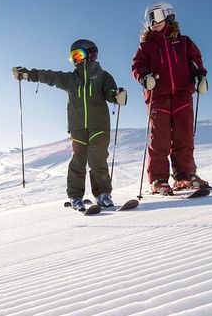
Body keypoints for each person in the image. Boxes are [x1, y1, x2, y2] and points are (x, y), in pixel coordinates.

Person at [12, 39, 127, 210]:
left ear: (91, 54)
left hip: (99, 126)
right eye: (73, 56)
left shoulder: (103, 76)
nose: (75, 59)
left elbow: (110, 92)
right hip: (77, 126)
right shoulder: (71, 79)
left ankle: (103, 194)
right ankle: (75, 197)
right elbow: (50, 76)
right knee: (78, 161)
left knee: (98, 160)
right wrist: (29, 74)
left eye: (79, 54)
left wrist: (117, 96)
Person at [132, 1, 210, 195]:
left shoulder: (184, 42)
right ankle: (158, 179)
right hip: (158, 96)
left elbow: (195, 60)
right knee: (160, 139)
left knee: (184, 135)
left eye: (156, 16)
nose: (152, 22)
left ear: (169, 16)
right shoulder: (146, 46)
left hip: (182, 94)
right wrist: (144, 76)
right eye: (149, 19)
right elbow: (137, 65)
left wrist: (199, 75)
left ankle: (185, 175)